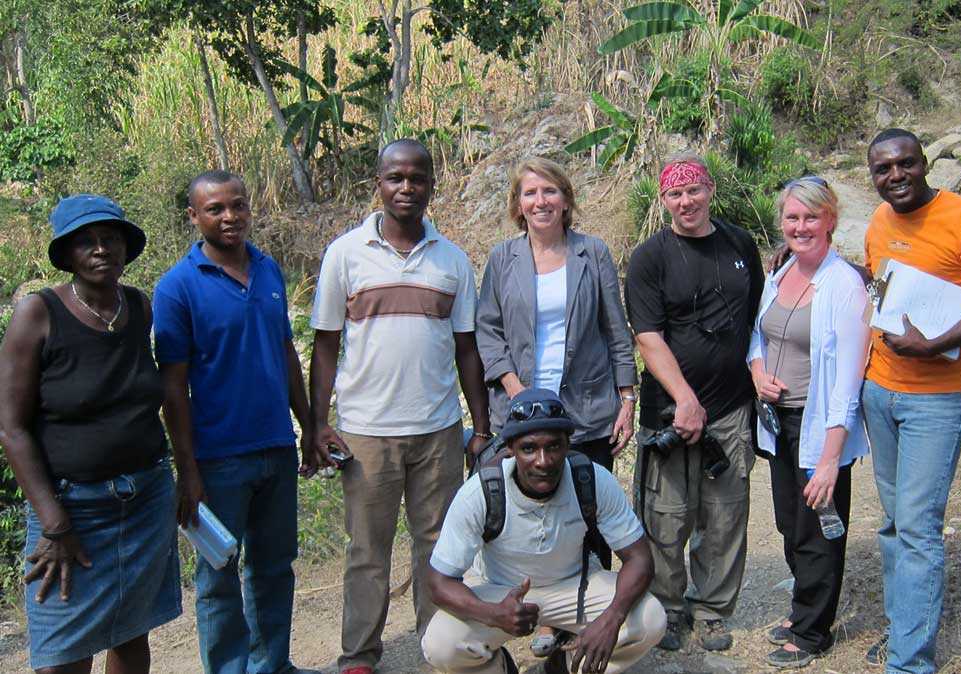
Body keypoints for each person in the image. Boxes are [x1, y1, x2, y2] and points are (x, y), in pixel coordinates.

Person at [309, 139, 491, 674]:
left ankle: (438, 647)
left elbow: (467, 349)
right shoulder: (345, 254)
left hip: (437, 430)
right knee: (367, 551)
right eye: (395, 178)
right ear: (378, 183)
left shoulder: (452, 259)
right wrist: (318, 424)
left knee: (438, 547)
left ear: (432, 184)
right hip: (366, 433)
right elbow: (324, 344)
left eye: (416, 178)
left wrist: (478, 425)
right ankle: (360, 656)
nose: (405, 188)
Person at [0, 195, 181, 673]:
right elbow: (12, 429)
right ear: (67, 254)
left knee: (130, 629)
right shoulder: (37, 315)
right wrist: (55, 523)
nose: (101, 249)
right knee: (64, 649)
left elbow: (153, 392)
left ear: (126, 247)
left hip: (144, 499)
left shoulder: (139, 307)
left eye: (111, 239)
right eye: (86, 242)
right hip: (70, 510)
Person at [154, 171, 317, 674]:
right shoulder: (176, 287)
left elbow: (286, 353)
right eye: (216, 209)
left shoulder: (269, 271)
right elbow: (172, 389)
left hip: (275, 447)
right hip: (217, 459)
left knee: (273, 568)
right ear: (194, 216)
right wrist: (189, 469)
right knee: (218, 576)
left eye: (238, 206)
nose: (230, 218)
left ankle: (272, 664)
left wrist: (308, 427)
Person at [860, 129, 961, 673]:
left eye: (905, 164)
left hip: (937, 399)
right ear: (872, 176)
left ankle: (910, 662)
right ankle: (905, 627)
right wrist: (815, 259)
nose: (895, 176)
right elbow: (883, 288)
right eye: (882, 169)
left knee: (918, 526)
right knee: (895, 522)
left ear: (925, 164)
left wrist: (935, 344)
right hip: (880, 391)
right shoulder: (879, 222)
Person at [624, 152, 765, 652]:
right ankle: (669, 607)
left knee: (725, 516)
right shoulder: (649, 258)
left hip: (730, 409)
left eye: (694, 190)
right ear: (664, 201)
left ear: (710, 190)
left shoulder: (740, 245)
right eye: (676, 194)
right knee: (664, 516)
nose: (687, 201)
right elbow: (648, 336)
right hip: (669, 412)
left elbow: (754, 322)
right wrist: (685, 399)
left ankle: (712, 609)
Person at [421, 388, 666, 674]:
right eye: (529, 448)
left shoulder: (592, 479)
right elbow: (438, 582)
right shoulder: (482, 492)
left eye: (553, 446)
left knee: (650, 619)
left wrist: (611, 619)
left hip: (575, 585)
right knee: (441, 645)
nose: (543, 460)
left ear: (567, 444)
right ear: (510, 447)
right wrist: (493, 614)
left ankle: (563, 667)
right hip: (500, 591)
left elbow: (639, 559)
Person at [475, 157, 637, 554]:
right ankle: (539, 609)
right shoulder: (502, 259)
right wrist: (516, 390)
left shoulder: (592, 252)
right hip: (522, 415)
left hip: (586, 410)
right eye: (530, 193)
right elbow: (488, 331)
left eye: (550, 191)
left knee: (591, 515)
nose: (540, 201)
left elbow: (616, 330)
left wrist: (628, 399)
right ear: (518, 205)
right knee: (528, 521)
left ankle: (596, 605)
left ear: (566, 200)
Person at [747, 177, 871, 668]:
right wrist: (758, 373)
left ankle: (813, 631)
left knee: (819, 527)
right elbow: (758, 337)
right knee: (788, 522)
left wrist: (830, 459)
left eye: (811, 217)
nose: (801, 227)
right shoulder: (779, 275)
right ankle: (806, 609)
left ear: (831, 221)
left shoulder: (844, 287)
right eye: (792, 218)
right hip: (780, 423)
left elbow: (847, 383)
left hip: (818, 425)